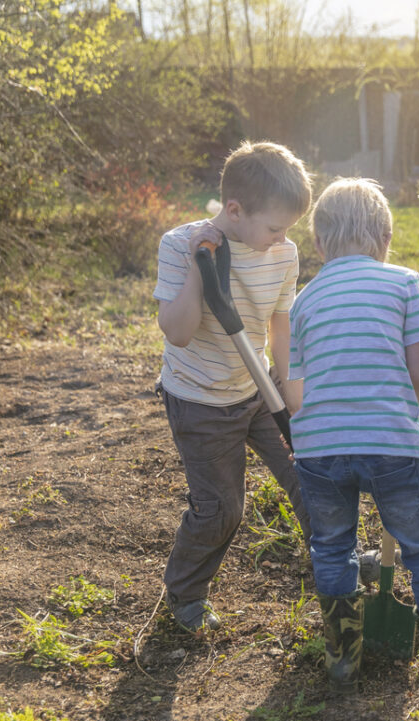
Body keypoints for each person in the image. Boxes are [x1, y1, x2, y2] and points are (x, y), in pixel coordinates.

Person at [284, 177, 419, 715]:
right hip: (391, 446)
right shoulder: (404, 282)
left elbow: (300, 385)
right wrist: (405, 421)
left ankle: (344, 660)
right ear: (385, 238)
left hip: (318, 448)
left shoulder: (302, 301)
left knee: (331, 549)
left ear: (318, 245)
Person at [154, 140, 313, 633]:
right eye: (274, 227)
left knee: (312, 476)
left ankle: (336, 565)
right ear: (234, 210)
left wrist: (290, 388)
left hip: (258, 389)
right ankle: (184, 595)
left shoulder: (283, 254)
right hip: (199, 399)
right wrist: (204, 270)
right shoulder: (180, 244)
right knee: (223, 508)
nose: (282, 237)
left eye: (288, 228)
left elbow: (280, 325)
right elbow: (178, 333)